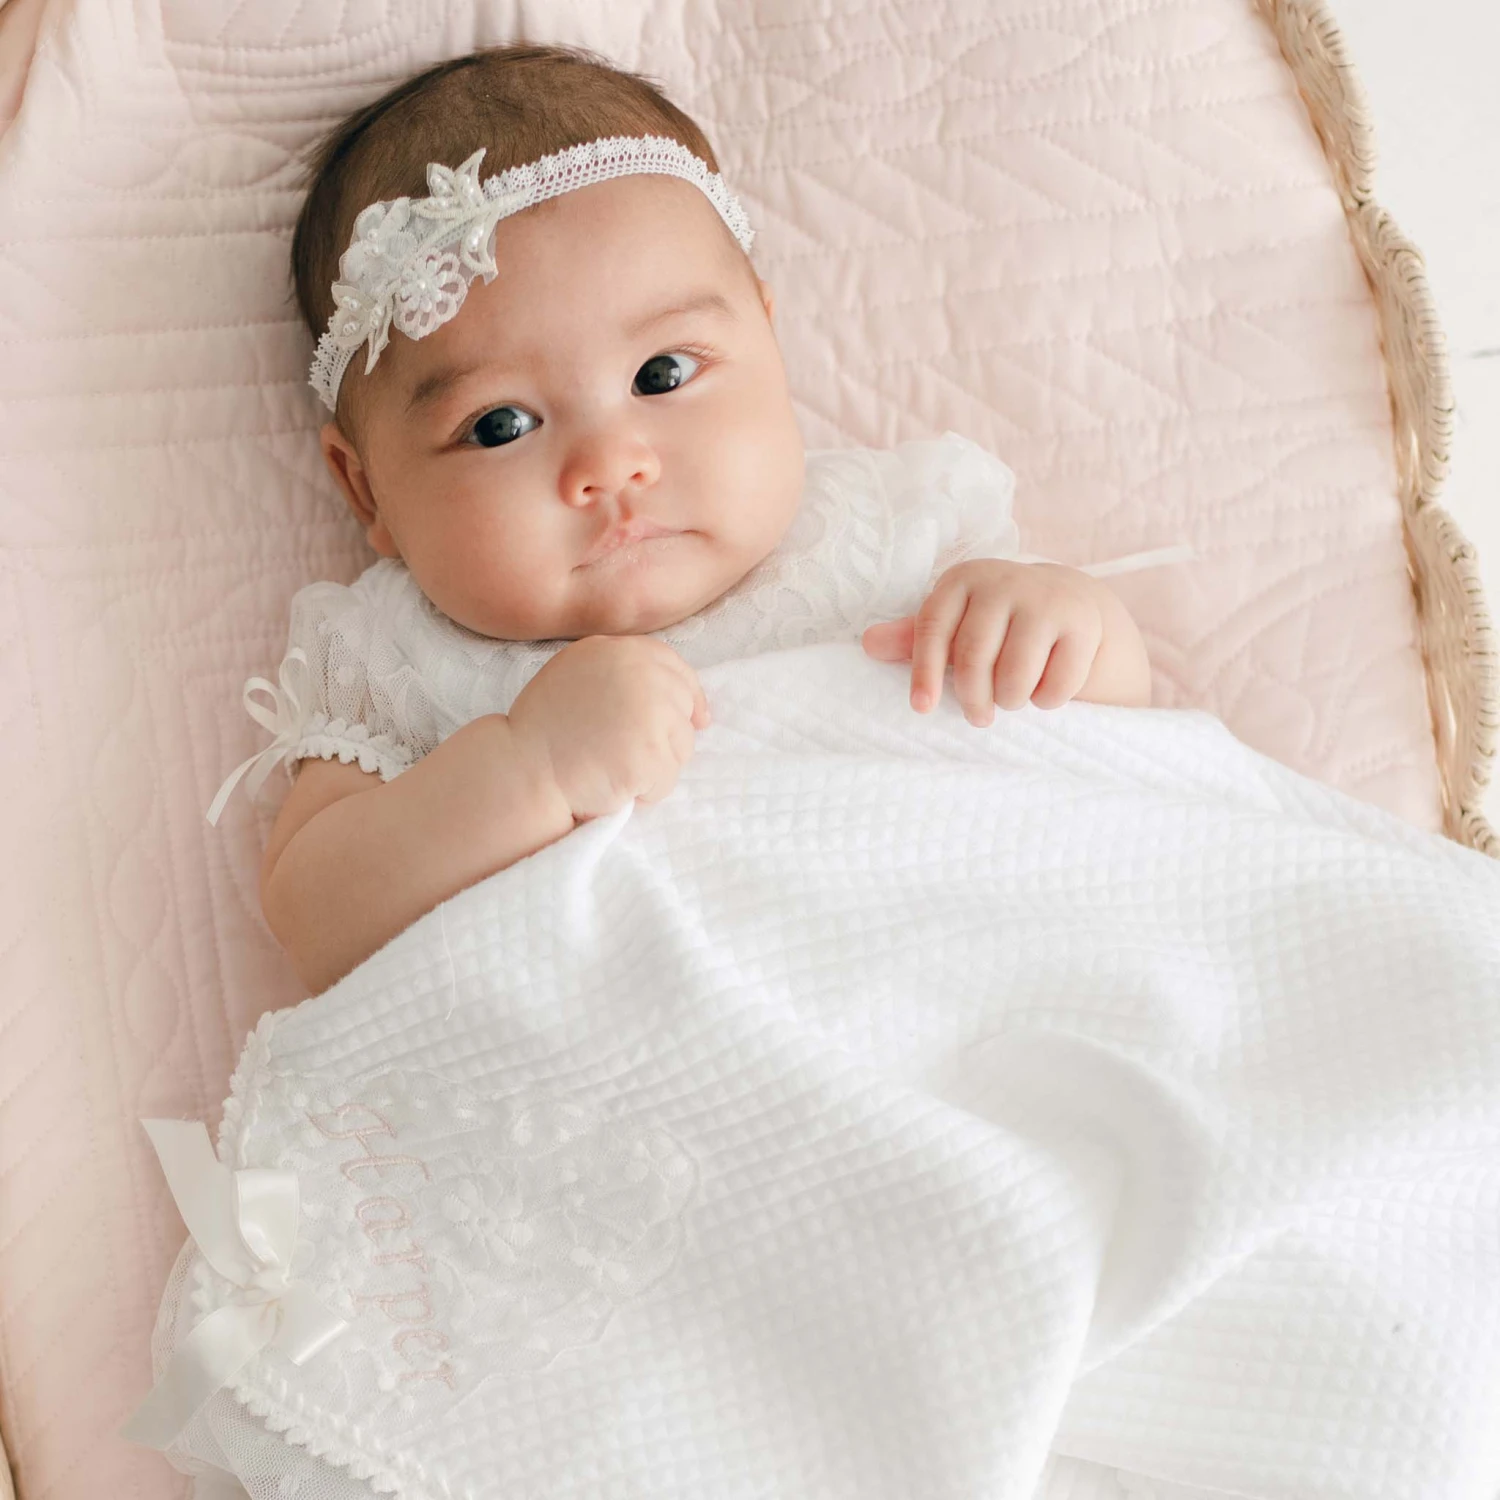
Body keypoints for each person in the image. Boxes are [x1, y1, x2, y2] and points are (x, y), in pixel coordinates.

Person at [211, 43, 1182, 997]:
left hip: (960, 976)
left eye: (663, 373)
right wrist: (531, 766)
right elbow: (316, 919)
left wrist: (1064, 631)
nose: (610, 465)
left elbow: (1112, 762)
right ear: (367, 491)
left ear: (768, 336)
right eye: (500, 425)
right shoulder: (400, 654)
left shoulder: (889, 535)